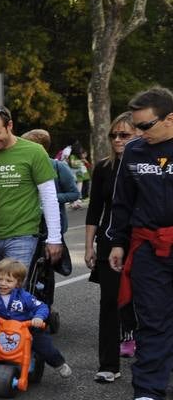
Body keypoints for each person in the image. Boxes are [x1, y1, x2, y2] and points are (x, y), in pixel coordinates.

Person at [106, 86, 173, 400]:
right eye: (137, 126)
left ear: (170, 118)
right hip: (147, 245)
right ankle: (148, 390)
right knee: (151, 318)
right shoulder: (134, 152)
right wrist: (118, 241)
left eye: (146, 126)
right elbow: (122, 201)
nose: (140, 133)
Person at [0, 105, 63, 273]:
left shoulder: (34, 151)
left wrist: (54, 238)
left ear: (9, 126)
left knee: (10, 287)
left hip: (22, 235)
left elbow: (49, 197)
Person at [87, 112, 138, 382]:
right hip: (109, 241)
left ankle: (152, 363)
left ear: (139, 134)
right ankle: (108, 365)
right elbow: (94, 209)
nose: (118, 139)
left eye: (125, 135)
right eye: (114, 135)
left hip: (143, 240)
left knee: (148, 305)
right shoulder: (104, 168)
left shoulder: (149, 165)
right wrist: (89, 247)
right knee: (109, 302)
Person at [0, 258, 71, 377]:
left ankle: (59, 364)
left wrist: (38, 318)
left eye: (8, 281)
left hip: (28, 329)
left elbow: (41, 306)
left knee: (44, 347)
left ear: (18, 283)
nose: (3, 283)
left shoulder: (24, 297)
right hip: (3, 330)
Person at [22, 129, 80, 233]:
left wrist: (49, 197)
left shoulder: (58, 166)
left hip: (52, 226)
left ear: (40, 148)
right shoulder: (22, 167)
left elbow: (74, 194)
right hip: (26, 226)